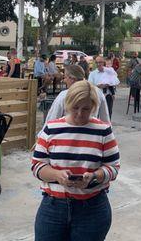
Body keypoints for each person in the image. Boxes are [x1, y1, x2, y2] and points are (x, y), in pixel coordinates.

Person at [32, 80, 120, 241]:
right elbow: (37, 166)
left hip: (92, 208)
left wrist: (94, 177)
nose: (80, 113)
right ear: (67, 104)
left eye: (86, 109)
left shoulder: (103, 131)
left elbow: (113, 167)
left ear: (94, 107)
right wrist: (57, 175)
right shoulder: (51, 129)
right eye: (75, 108)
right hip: (53, 208)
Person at [46, 65, 110, 123]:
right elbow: (105, 120)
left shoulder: (64, 95)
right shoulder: (98, 92)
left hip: (68, 133)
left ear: (72, 79)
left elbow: (51, 120)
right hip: (91, 133)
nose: (64, 80)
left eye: (65, 77)